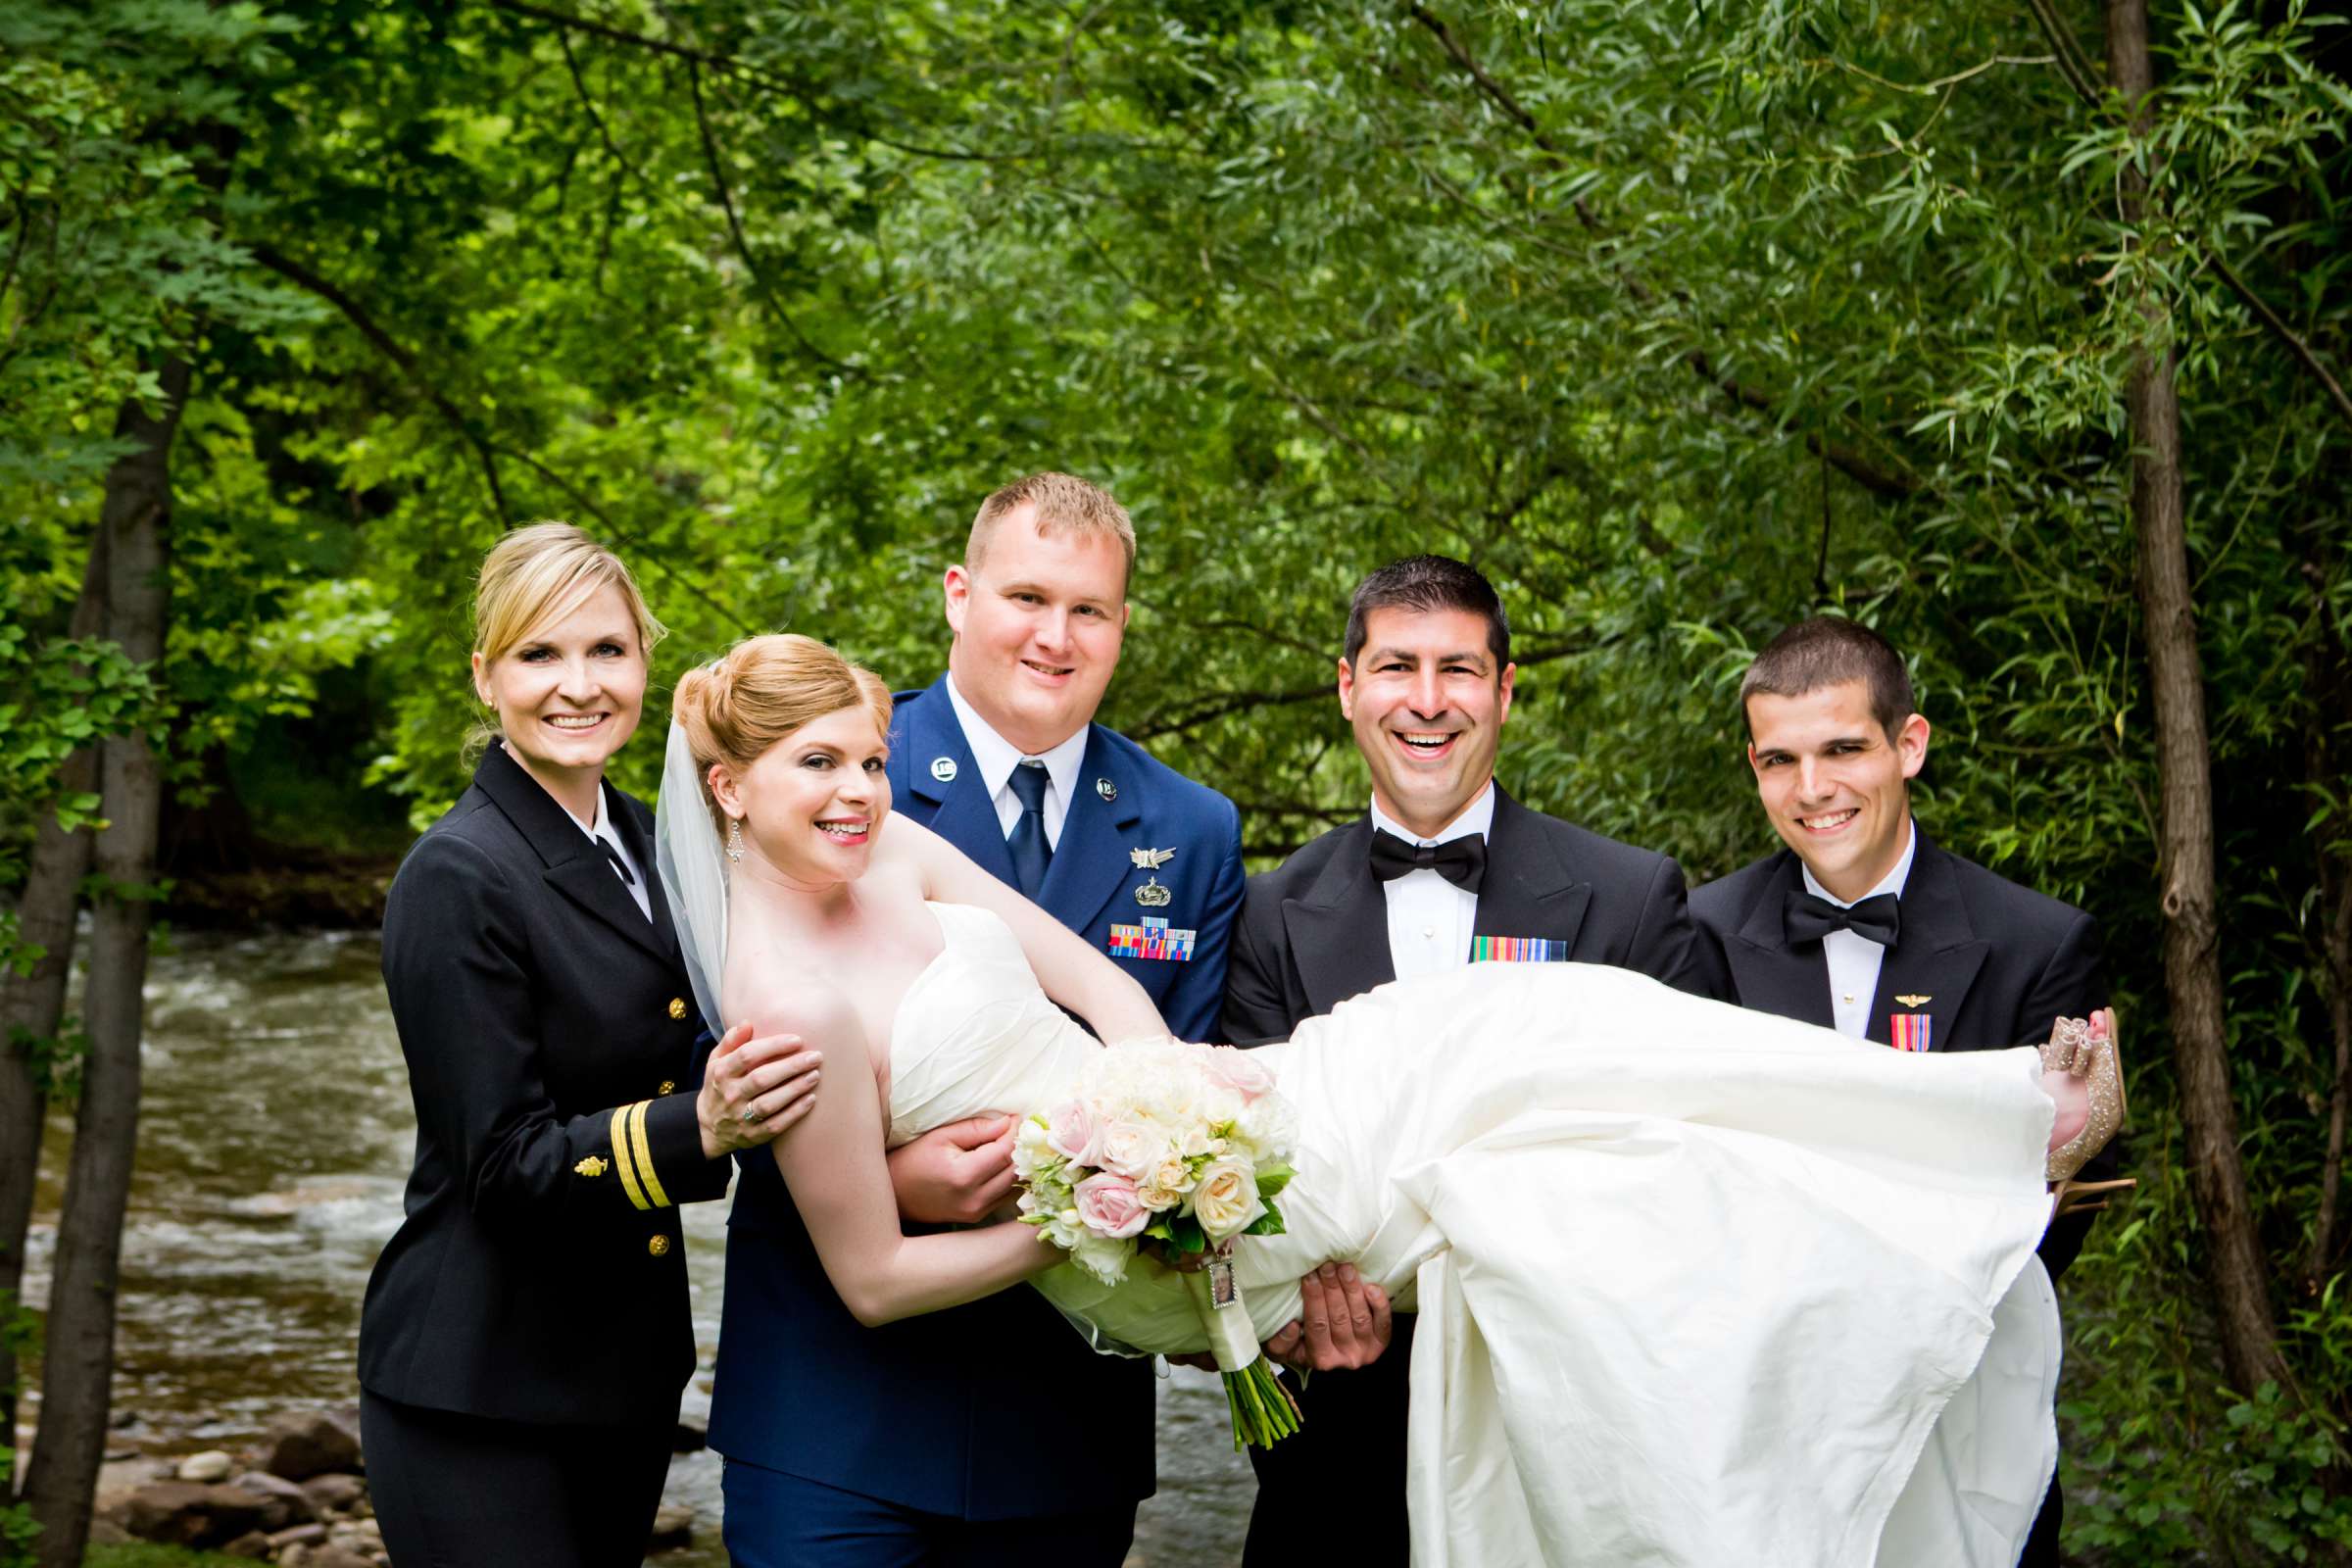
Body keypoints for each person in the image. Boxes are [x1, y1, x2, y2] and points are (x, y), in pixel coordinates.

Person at [657, 630, 2124, 1568]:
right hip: (1164, 1229)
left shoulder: (901, 852)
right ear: (729, 787)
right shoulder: (782, 1010)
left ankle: (1970, 1151)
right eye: (819, 764)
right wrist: (1107, 1185)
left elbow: (1101, 988)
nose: (859, 788)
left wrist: (1161, 1088)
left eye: (867, 755)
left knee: (1545, 1035)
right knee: (1526, 1178)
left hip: (1205, 1110)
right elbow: (873, 1269)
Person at [702, 475, 1244, 1566]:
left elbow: (1176, 1068)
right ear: (958, 594)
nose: (1056, 635)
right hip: (837, 1416)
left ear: (1122, 625)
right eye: (1026, 596)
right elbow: (715, 1064)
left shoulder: (1192, 830)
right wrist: (888, 1182)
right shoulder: (829, 764)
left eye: (1089, 609)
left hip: (1066, 1424)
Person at [1216, 554, 1719, 1567]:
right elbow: (1234, 1172)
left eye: (1460, 667)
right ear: (1349, 686)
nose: (1429, 701)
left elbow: (1694, 1161)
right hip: (1339, 1465)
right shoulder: (1268, 911)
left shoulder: (1629, 898)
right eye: (1398, 665)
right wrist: (1280, 1324)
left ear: (1505, 689)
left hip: (1576, 1461)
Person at [359, 523, 820, 1568]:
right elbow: (503, 1162)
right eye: (540, 654)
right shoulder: (458, 875)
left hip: (621, 1376)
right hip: (476, 1391)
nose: (579, 685)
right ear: (487, 677)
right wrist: (700, 1123)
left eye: (607, 651)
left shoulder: (661, 843)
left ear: (646, 663)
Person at [1690, 614, 2121, 1567]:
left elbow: (2063, 1218)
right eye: (1781, 759)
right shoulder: (1700, 935)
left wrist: (2069, 1144)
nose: (1814, 790)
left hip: (1962, 1408)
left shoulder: (2040, 945)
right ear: (1753, 765)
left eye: (1844, 748)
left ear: (1909, 744)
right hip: (1756, 1428)